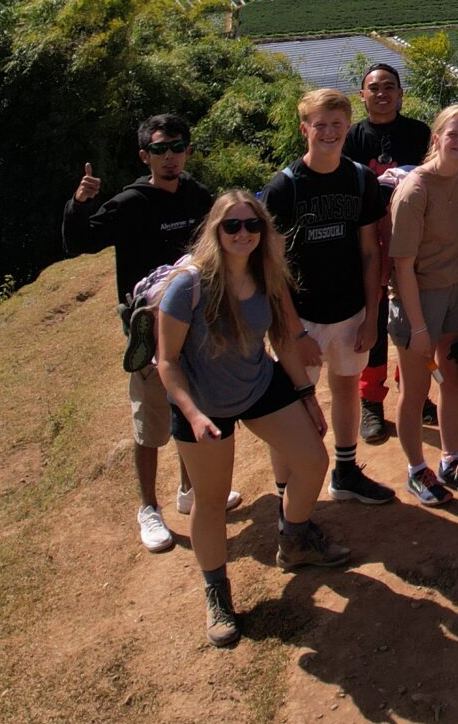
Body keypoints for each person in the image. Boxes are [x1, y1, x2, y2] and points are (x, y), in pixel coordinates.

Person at [155, 192, 352, 648]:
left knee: (312, 462)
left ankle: (296, 539)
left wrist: (306, 396)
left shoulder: (267, 273)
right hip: (204, 402)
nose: (243, 233)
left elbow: (282, 338)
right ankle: (217, 592)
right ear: (216, 230)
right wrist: (194, 413)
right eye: (232, 226)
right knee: (210, 500)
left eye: (252, 225)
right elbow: (167, 361)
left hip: (260, 384)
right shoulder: (190, 285)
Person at [64, 113, 217, 551]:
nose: (169, 156)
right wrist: (81, 203)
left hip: (195, 318)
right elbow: (80, 242)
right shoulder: (131, 203)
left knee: (195, 404)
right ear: (144, 155)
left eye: (177, 147)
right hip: (149, 329)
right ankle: (148, 508)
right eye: (159, 149)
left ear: (187, 150)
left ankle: (191, 491)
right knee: (150, 420)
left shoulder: (195, 194)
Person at [264, 88, 395, 508]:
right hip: (300, 317)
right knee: (292, 408)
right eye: (320, 125)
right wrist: (292, 329)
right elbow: (273, 266)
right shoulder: (284, 187)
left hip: (350, 309)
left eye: (337, 125)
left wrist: (372, 314)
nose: (329, 133)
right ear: (304, 129)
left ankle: (345, 470)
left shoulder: (359, 179)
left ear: (347, 127)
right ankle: (287, 495)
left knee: (345, 390)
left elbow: (371, 250)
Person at [388, 105, 458, 505]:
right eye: (454, 135)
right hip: (418, 299)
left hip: (455, 293)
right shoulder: (415, 190)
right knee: (416, 388)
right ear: (436, 138)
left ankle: (451, 459)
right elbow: (402, 266)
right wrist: (417, 327)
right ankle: (416, 468)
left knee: (453, 377)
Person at [344, 62, 430, 445]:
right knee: (375, 319)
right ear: (362, 95)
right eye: (373, 87)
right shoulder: (351, 138)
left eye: (389, 87)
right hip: (368, 239)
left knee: (416, 314)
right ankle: (371, 401)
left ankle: (416, 391)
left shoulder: (419, 133)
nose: (381, 93)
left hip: (415, 235)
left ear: (400, 93)